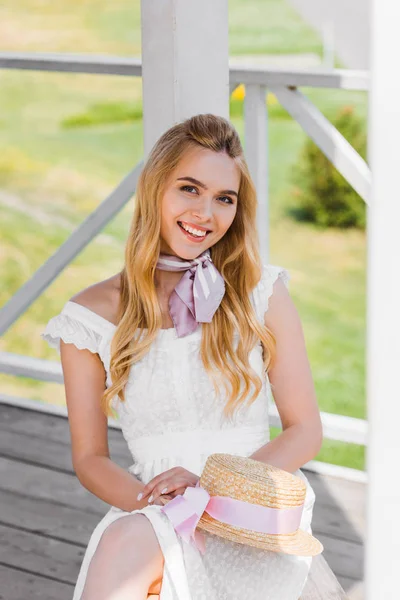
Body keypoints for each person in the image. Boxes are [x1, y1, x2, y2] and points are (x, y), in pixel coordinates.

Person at [41, 113, 323, 600]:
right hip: (153, 508)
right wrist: (170, 510)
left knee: (126, 553)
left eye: (224, 199)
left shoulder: (261, 293)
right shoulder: (88, 318)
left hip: (249, 506)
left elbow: (305, 430)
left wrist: (213, 493)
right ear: (154, 189)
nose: (206, 214)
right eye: (189, 189)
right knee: (126, 543)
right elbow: (90, 458)